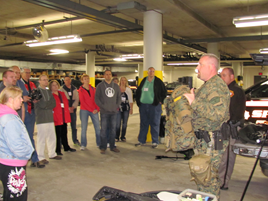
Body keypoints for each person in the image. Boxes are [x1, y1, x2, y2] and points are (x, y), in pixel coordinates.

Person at [184, 53, 230, 199]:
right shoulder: (208, 85)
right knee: (202, 176)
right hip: (204, 140)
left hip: (211, 140)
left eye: (200, 65)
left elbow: (219, 114)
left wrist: (194, 102)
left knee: (208, 179)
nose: (197, 68)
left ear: (211, 67)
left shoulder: (217, 86)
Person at [0, 86, 34, 200]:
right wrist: (27, 154)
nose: (22, 100)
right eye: (19, 98)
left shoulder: (4, 115)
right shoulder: (10, 119)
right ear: (10, 99)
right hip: (13, 163)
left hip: (5, 161)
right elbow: (16, 145)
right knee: (17, 197)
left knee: (9, 195)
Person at [219, 68, 246, 190]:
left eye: (224, 75)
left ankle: (224, 182)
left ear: (232, 76)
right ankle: (221, 178)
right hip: (224, 127)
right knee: (222, 156)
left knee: (228, 156)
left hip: (231, 127)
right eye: (221, 75)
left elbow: (233, 111)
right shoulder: (225, 89)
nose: (222, 77)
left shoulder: (234, 91)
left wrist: (230, 124)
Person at [135, 67, 167, 148]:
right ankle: (142, 141)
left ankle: (155, 141)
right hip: (143, 106)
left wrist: (161, 100)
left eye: (153, 71)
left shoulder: (158, 82)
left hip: (154, 106)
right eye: (150, 71)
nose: (151, 73)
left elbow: (164, 92)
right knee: (143, 123)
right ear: (147, 72)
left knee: (155, 123)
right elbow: (138, 91)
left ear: (154, 73)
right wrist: (139, 101)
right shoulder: (143, 81)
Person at [34, 75, 62, 163]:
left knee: (51, 136)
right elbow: (40, 104)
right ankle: (41, 156)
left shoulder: (48, 91)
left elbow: (53, 103)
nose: (46, 81)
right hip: (41, 118)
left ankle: (52, 153)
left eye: (47, 80)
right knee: (41, 138)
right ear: (39, 81)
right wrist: (47, 105)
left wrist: (46, 105)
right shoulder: (36, 91)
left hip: (50, 117)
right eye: (44, 80)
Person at [95, 70, 121, 154]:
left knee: (113, 130)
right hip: (104, 112)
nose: (108, 76)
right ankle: (103, 147)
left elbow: (119, 98)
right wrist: (103, 106)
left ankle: (112, 146)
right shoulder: (100, 86)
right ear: (104, 76)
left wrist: (115, 106)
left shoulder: (116, 86)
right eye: (106, 74)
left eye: (110, 74)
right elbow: (97, 98)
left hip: (114, 112)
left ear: (111, 76)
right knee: (103, 130)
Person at [49, 80, 76, 155]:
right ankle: (57, 149)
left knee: (64, 132)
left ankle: (66, 147)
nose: (55, 86)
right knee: (57, 134)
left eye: (56, 85)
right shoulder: (50, 95)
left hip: (63, 116)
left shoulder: (62, 93)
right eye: (53, 85)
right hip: (56, 116)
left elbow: (66, 103)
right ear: (50, 87)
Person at [78, 74, 100, 150]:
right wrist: (91, 110)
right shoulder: (80, 90)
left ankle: (99, 143)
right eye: (85, 79)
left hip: (94, 110)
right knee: (84, 128)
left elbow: (97, 99)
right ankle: (83, 144)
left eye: (87, 79)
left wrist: (97, 109)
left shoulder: (93, 89)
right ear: (82, 81)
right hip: (84, 110)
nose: (87, 80)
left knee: (97, 127)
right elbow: (82, 102)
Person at [60, 76, 80, 146]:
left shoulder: (74, 89)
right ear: (64, 81)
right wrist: (68, 108)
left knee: (74, 127)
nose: (67, 81)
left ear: (70, 80)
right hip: (65, 112)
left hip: (73, 111)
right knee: (63, 128)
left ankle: (75, 140)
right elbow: (62, 100)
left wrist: (73, 107)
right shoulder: (61, 89)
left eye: (69, 80)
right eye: (66, 80)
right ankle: (61, 142)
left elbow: (77, 99)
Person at [115, 77, 133, 142]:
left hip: (126, 108)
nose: (123, 81)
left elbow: (131, 100)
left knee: (124, 123)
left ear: (126, 81)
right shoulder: (116, 88)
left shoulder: (128, 90)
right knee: (117, 123)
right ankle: (116, 136)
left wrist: (131, 108)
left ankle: (123, 136)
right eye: (122, 80)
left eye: (124, 80)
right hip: (118, 108)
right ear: (120, 81)